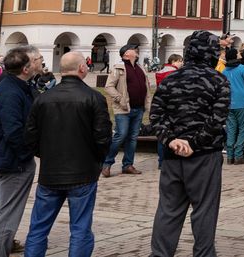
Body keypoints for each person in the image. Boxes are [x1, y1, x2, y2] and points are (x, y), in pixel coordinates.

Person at [149, 30, 230, 256]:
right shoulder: (218, 80)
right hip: (205, 155)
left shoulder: (170, 80)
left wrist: (172, 140)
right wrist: (194, 143)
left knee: (168, 210)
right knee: (204, 210)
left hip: (173, 155)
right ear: (212, 54)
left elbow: (156, 116)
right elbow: (218, 119)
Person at [23, 51, 111, 257]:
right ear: (81, 68)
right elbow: (103, 137)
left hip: (51, 171)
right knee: (80, 229)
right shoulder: (93, 97)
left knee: (38, 228)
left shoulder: (44, 98)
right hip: (82, 172)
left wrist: (46, 154)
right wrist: (96, 159)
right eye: (86, 65)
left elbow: (30, 136)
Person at [0, 46, 43, 256]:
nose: (41, 61)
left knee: (0, 209)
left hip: (10, 157)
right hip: (13, 160)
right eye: (37, 59)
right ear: (26, 68)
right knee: (7, 215)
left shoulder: (17, 85)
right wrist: (31, 152)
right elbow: (14, 131)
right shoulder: (11, 91)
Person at [102, 44, 149, 177]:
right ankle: (106, 163)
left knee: (133, 138)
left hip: (138, 109)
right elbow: (109, 87)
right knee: (120, 136)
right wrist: (120, 99)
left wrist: (147, 104)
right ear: (126, 54)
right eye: (133, 49)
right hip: (123, 109)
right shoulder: (119, 68)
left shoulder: (140, 68)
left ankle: (128, 165)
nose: (136, 50)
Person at [221, 48, 244, 164]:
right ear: (235, 56)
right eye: (238, 53)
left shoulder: (224, 71)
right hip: (243, 102)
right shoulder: (243, 69)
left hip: (229, 103)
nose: (240, 54)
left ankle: (230, 156)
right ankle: (238, 155)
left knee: (231, 130)